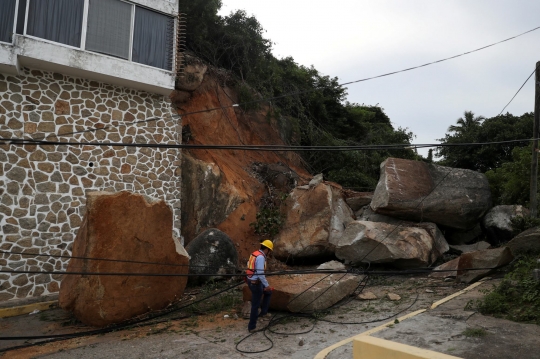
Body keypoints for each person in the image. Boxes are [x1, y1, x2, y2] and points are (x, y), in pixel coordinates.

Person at [245, 239, 273, 333]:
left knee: (268, 292)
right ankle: (252, 327)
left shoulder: (255, 253)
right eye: (269, 251)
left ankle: (263, 313)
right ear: (267, 250)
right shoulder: (261, 257)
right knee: (255, 305)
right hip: (256, 284)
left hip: (251, 280)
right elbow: (260, 273)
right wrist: (267, 285)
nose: (269, 253)